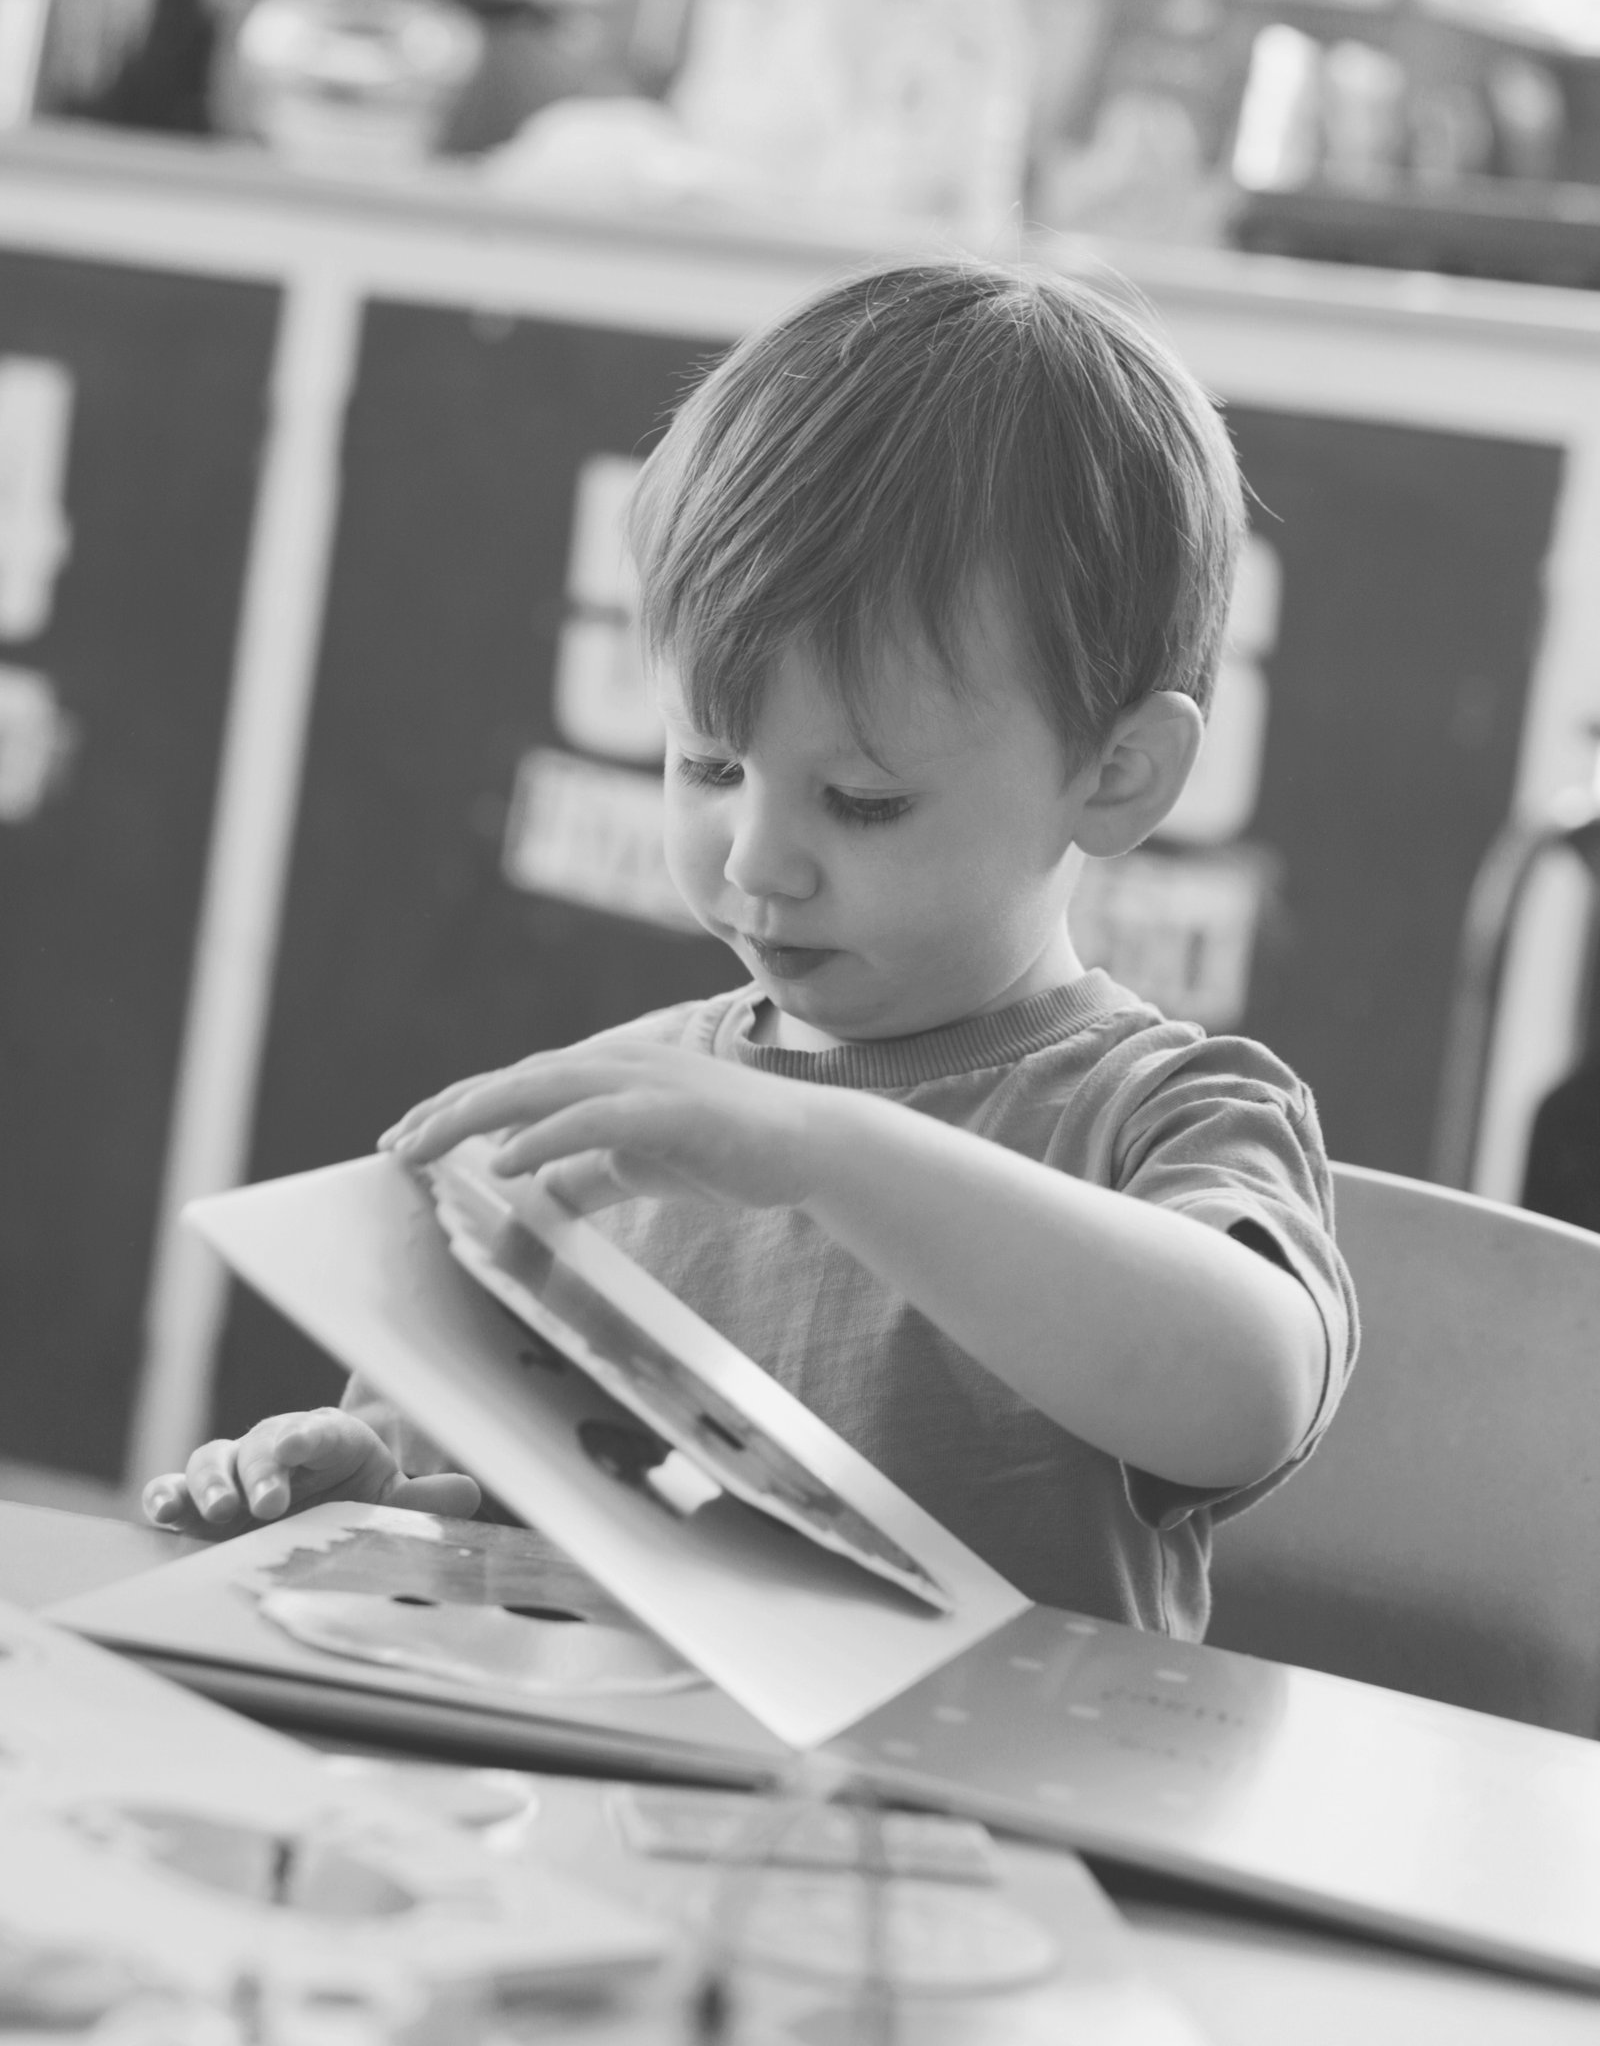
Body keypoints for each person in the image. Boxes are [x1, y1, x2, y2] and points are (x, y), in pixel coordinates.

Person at [144, 259, 1356, 1637]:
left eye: (863, 800)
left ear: (1121, 772)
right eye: (710, 764)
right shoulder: (615, 1116)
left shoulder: (1163, 1115)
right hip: (615, 1820)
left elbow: (1247, 1393)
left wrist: (829, 1151)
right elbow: (487, 1504)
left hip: (991, 1825)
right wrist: (384, 1499)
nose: (753, 858)